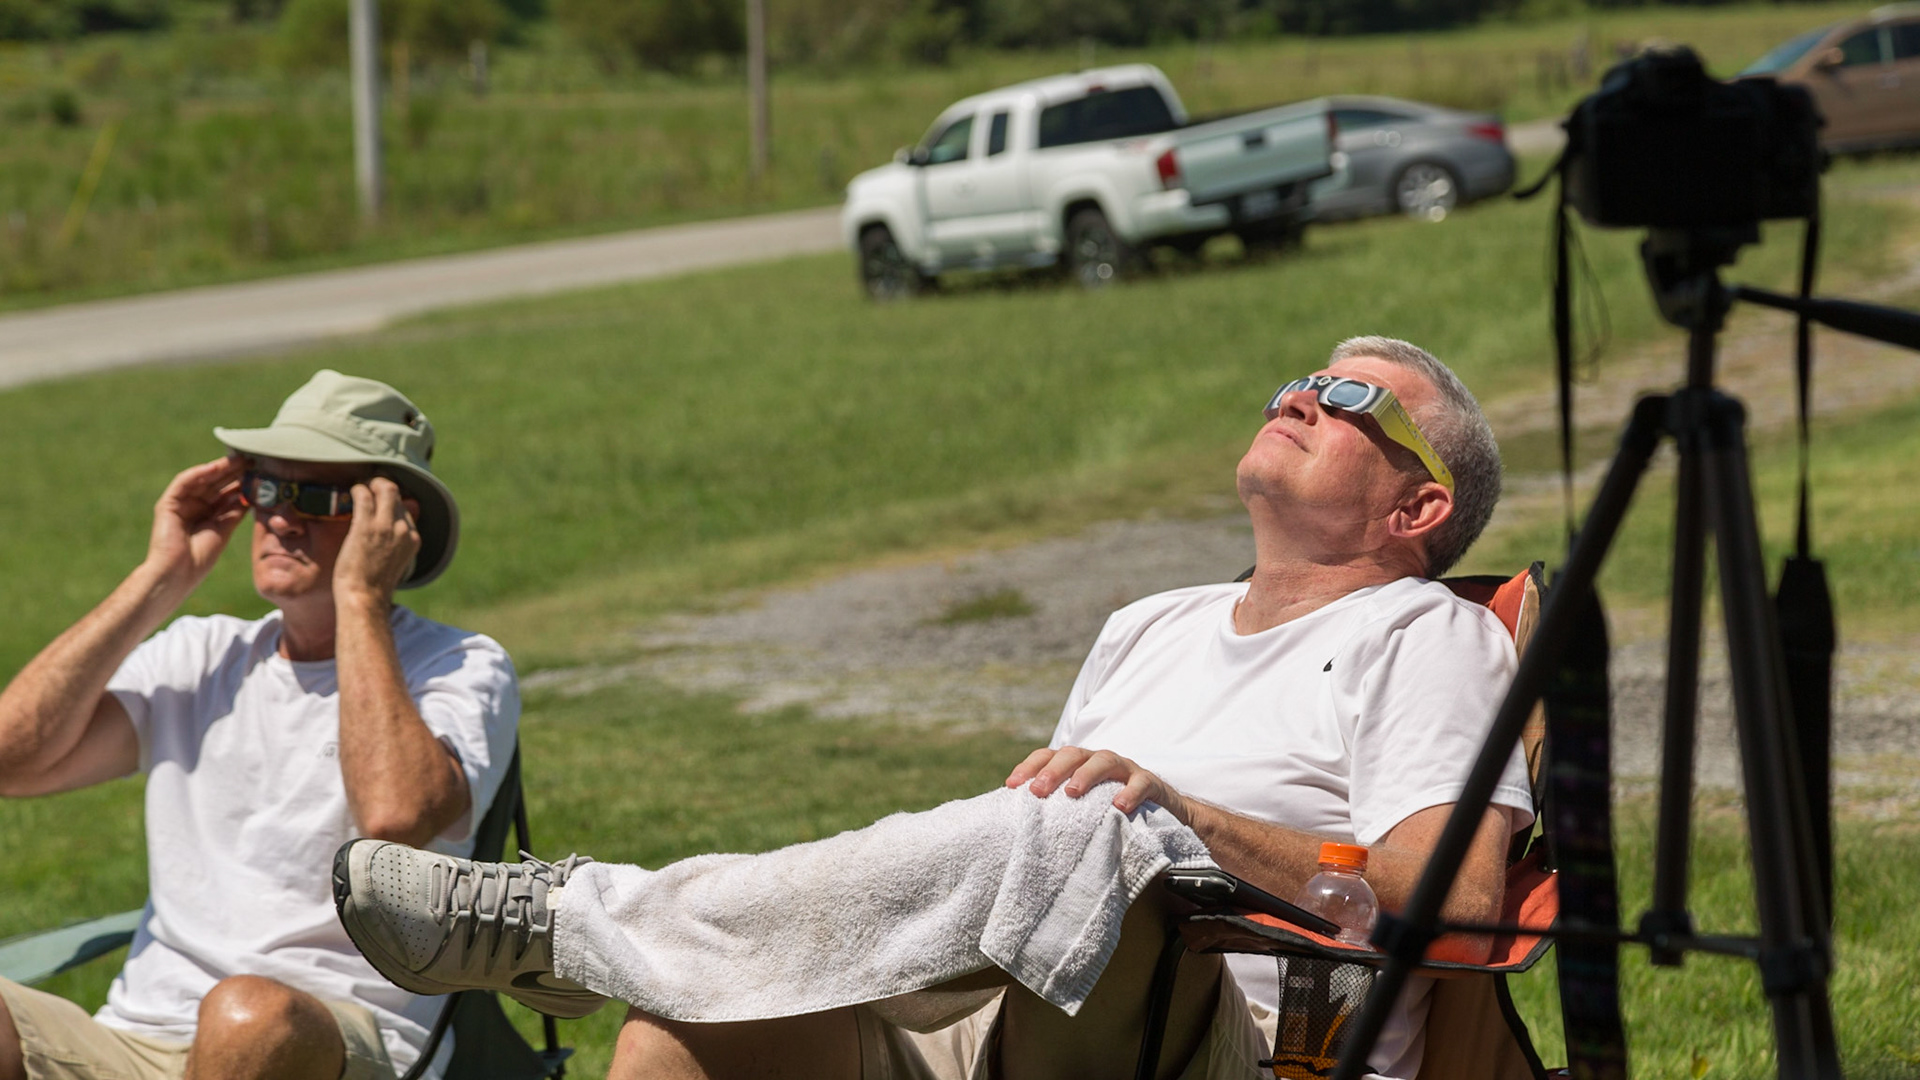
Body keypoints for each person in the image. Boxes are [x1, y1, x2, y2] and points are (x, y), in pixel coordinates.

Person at [336, 337, 1535, 1080]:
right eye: (1298, 376)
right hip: (1024, 1016)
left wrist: (1179, 821)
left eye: (1346, 396)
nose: (1301, 395)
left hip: (1250, 1041)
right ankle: (610, 943)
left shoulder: (1424, 637)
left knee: (1092, 828)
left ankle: (574, 920)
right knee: (678, 1040)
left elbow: (1464, 903)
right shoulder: (1151, 622)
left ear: (1416, 510)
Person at [0, 371, 520, 1080]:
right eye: (267, 490)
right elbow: (13, 763)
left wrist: (363, 601)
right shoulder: (201, 652)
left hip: (331, 1036)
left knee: (247, 1017)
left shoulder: (458, 666)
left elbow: (395, 820)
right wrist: (163, 576)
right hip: (139, 1038)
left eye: (317, 497)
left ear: (396, 525)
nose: (280, 518)